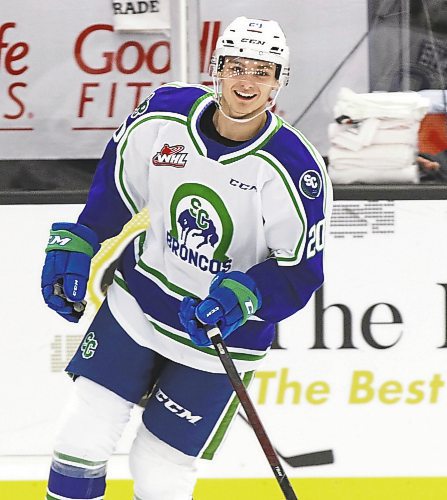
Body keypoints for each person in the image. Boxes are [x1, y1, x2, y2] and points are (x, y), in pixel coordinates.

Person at [41, 16, 332, 500]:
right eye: (237, 67)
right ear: (215, 70)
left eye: (263, 71)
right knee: (82, 434)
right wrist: (84, 237)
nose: (247, 82)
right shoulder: (163, 115)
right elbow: (118, 188)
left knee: (159, 470)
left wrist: (246, 294)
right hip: (140, 302)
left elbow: (301, 270)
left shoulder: (295, 167)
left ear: (279, 82)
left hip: (220, 335)